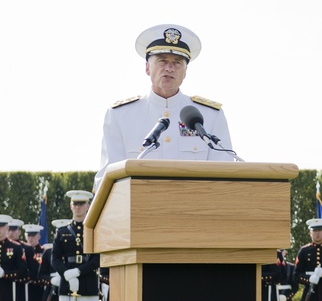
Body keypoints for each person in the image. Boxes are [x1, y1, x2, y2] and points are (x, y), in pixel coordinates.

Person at [93, 24, 235, 190]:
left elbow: (225, 174)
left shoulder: (210, 116)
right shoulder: (120, 115)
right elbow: (107, 179)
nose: (169, 68)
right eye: (162, 61)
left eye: (177, 63)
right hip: (138, 211)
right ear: (147, 68)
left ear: (185, 71)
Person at [52, 190, 101, 301]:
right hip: (67, 283)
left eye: (82, 204)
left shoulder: (94, 230)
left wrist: (78, 271)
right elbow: (55, 259)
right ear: (71, 206)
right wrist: (66, 274)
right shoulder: (62, 231)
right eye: (75, 204)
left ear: (88, 206)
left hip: (88, 282)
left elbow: (97, 259)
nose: (78, 207)